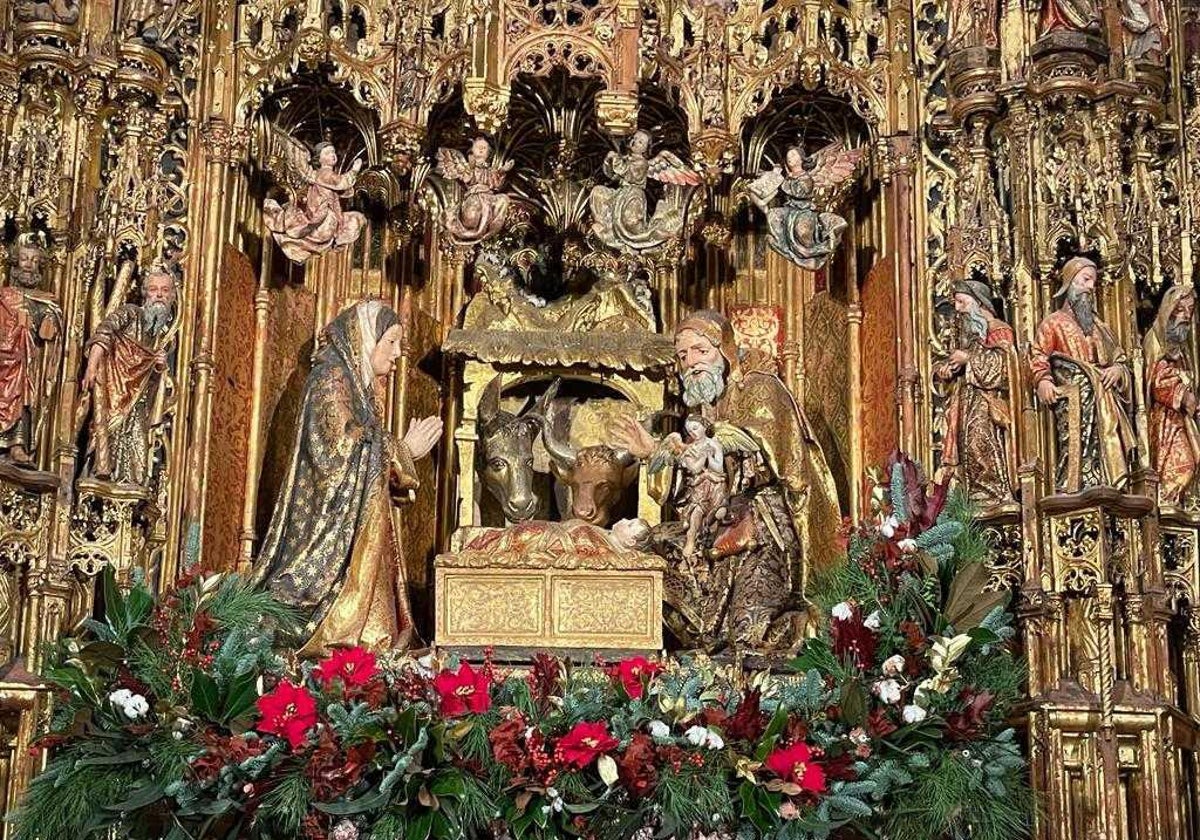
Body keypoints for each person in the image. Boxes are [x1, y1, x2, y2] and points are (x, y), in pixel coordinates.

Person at [613, 309, 841, 651]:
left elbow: (755, 448)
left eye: (700, 351)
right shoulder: (708, 410)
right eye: (682, 355)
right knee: (648, 558)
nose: (690, 362)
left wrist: (678, 449)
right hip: (715, 532)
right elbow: (696, 485)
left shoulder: (761, 388)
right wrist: (652, 454)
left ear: (725, 350)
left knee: (748, 634)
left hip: (763, 533)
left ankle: (812, 631)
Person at [253, 300, 442, 656]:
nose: (398, 353)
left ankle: (368, 639)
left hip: (353, 520)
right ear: (364, 338)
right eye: (391, 342)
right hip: (323, 532)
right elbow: (340, 448)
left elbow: (363, 450)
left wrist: (396, 457)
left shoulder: (359, 387)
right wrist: (403, 450)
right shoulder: (331, 378)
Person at [1029, 257, 1135, 493]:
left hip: (1102, 397)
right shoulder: (1053, 323)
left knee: (1101, 438)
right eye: (1085, 280)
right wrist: (1043, 380)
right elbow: (1038, 354)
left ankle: (1103, 478)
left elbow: (1119, 359)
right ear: (1069, 282)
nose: (1090, 287)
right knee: (1075, 442)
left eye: (1093, 283)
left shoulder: (1099, 327)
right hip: (1073, 398)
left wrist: (1117, 370)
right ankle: (1073, 481)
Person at [82, 266, 177, 486]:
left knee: (138, 456)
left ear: (172, 296)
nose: (160, 295)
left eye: (165, 290)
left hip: (138, 407)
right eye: (154, 289)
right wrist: (92, 365)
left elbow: (152, 388)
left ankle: (130, 492)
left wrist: (159, 368)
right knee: (108, 442)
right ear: (145, 293)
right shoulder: (130, 313)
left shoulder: (162, 337)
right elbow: (104, 332)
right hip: (114, 394)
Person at [934, 280, 1018, 506]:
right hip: (967, 403)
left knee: (980, 440)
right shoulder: (973, 339)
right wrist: (951, 371)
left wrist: (968, 359)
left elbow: (1005, 368)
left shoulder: (999, 330)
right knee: (966, 444)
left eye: (962, 302)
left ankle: (994, 493)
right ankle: (974, 497)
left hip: (990, 404)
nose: (958, 309)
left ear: (979, 303)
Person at [0, 239, 60, 464]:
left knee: (23, 399)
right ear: (15, 262)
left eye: (34, 260)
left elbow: (49, 332)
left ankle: (16, 445)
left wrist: (49, 320)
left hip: (26, 359)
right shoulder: (3, 295)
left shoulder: (44, 301)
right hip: (3, 356)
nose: (28, 264)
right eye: (24, 258)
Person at [1144, 285, 1199, 506]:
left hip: (1181, 419)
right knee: (1182, 464)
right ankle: (1168, 502)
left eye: (1190, 310)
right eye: (1180, 310)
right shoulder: (1154, 340)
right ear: (1169, 310)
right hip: (1164, 420)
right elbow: (1155, 379)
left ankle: (1182, 504)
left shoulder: (1181, 349)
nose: (1186, 316)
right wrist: (1183, 396)